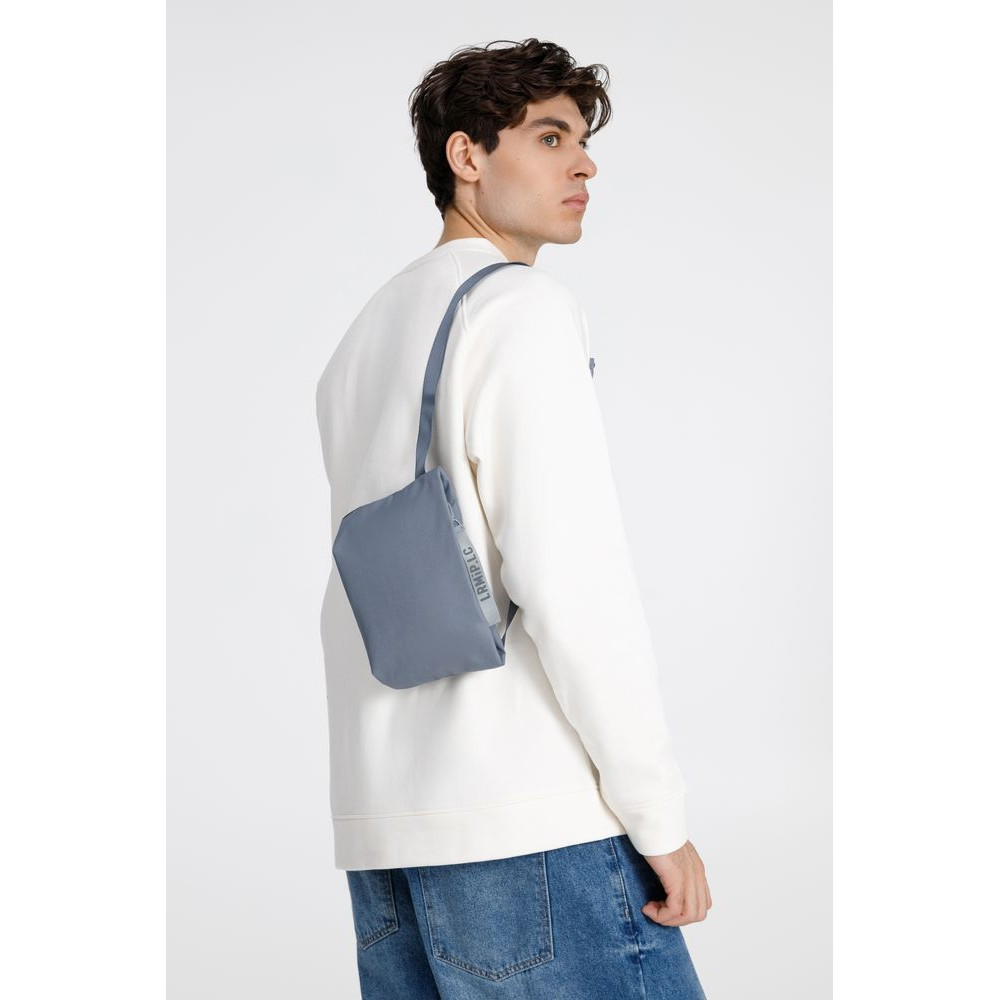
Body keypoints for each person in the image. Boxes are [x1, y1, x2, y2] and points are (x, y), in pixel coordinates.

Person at [315, 37, 712, 998]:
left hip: (386, 831)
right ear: (467, 155)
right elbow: (572, 584)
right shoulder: (520, 307)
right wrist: (658, 818)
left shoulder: (364, 335)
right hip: (527, 824)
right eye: (549, 137)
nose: (585, 166)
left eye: (583, 142)